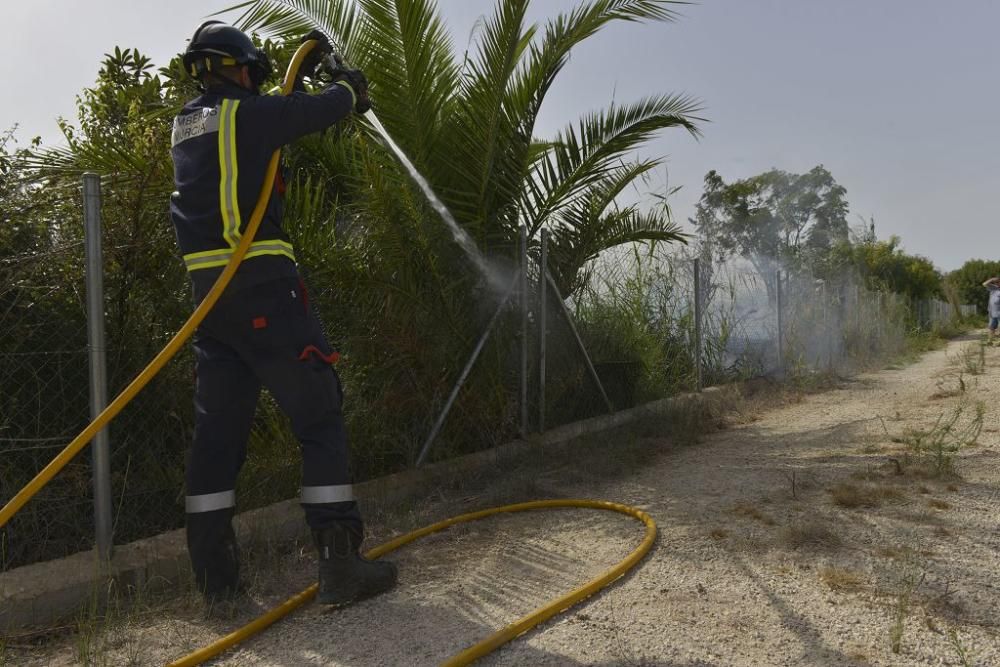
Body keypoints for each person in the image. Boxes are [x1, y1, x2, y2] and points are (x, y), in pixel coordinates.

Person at [169, 21, 396, 606]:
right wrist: (348, 85)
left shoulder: (186, 126)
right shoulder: (249, 116)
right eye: (251, 73)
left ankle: (217, 587)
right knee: (318, 413)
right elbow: (318, 109)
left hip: (210, 306)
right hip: (264, 289)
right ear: (237, 68)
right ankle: (341, 566)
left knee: (216, 440)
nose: (255, 82)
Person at [983, 277, 1000, 344]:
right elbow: (984, 284)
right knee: (991, 327)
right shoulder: (993, 288)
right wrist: (992, 279)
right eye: (996, 282)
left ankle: (998, 341)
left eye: (998, 282)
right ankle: (990, 340)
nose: (997, 283)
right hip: (992, 312)